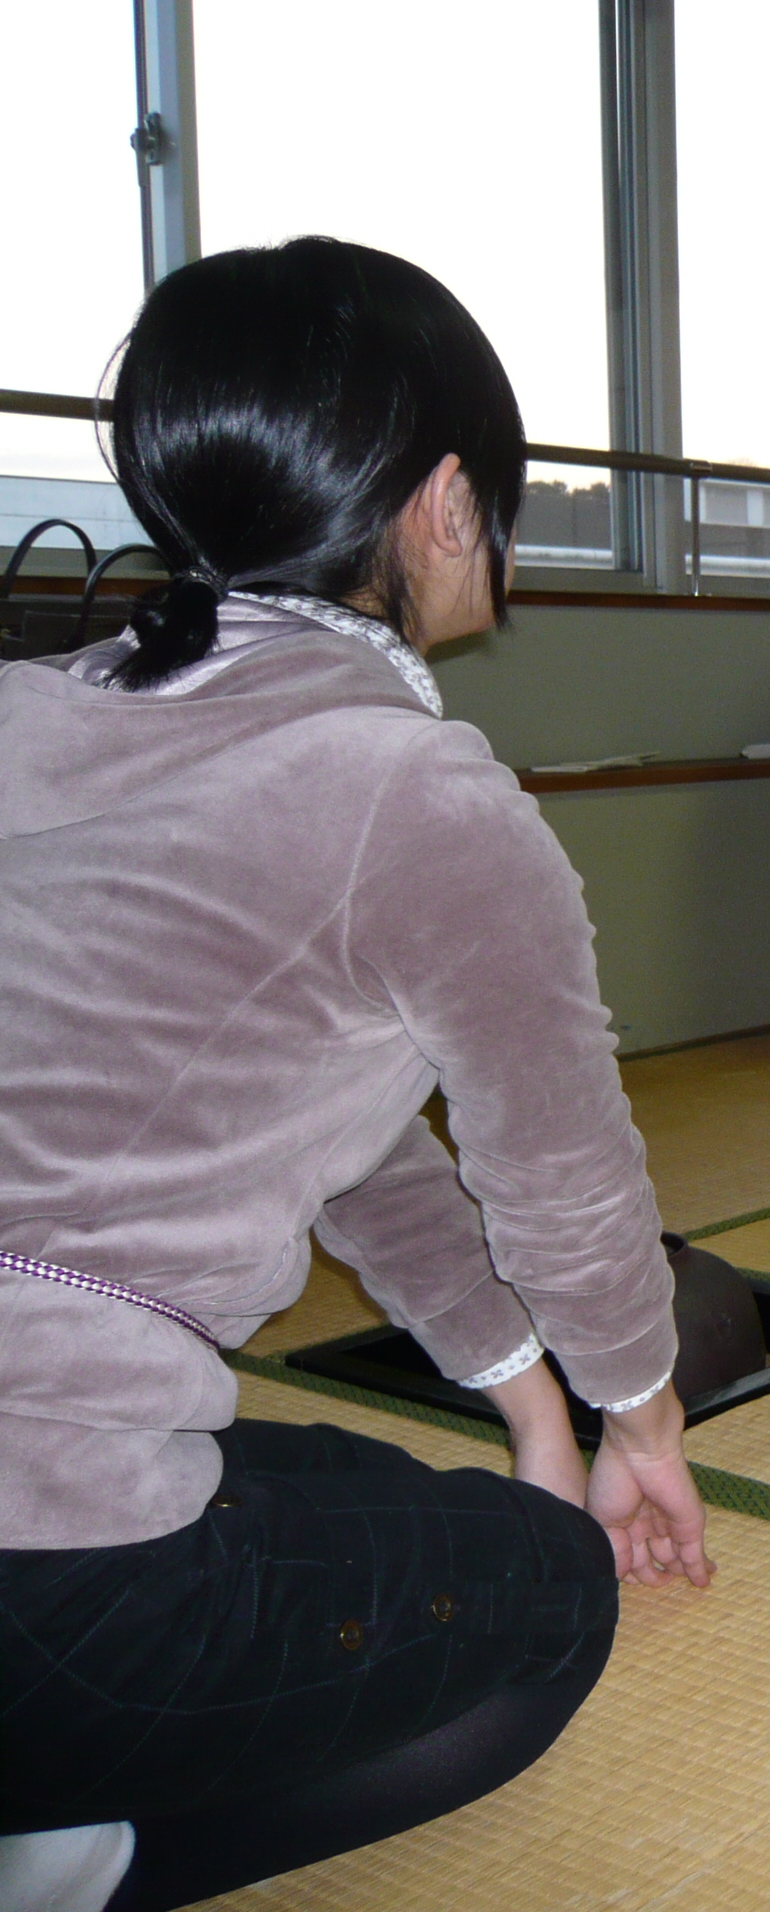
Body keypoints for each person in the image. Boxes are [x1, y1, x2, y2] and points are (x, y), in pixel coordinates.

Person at [0, 239, 713, 1912]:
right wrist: (644, 1423)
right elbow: (565, 1174)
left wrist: (537, 1406)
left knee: (368, 1489)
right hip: (43, 1588)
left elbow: (359, 1141)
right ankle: (70, 1853)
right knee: (546, 1599)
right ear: (450, 505)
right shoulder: (417, 794)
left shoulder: (29, 711)